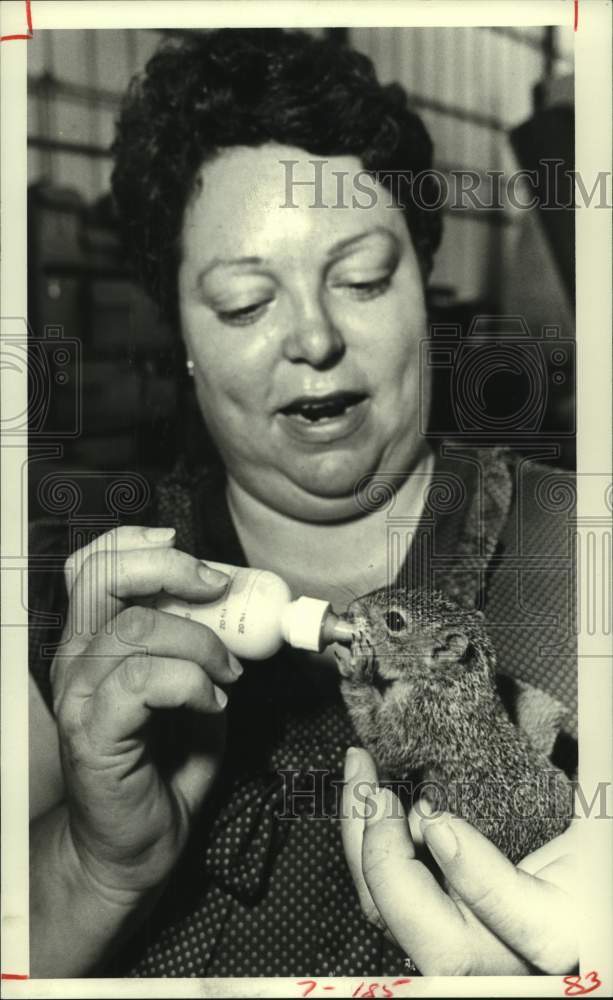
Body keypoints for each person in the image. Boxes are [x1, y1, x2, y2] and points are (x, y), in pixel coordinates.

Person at [28, 28, 578, 979]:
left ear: (422, 288)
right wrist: (93, 862)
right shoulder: (79, 607)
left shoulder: (577, 552)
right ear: (183, 338)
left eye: (361, 279)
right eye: (245, 304)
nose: (314, 336)